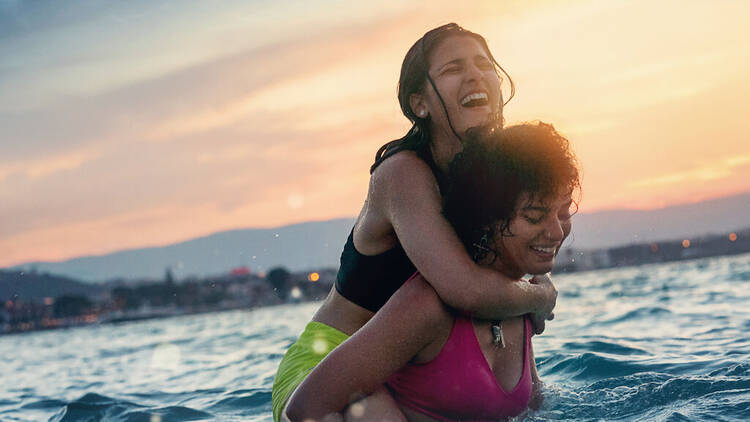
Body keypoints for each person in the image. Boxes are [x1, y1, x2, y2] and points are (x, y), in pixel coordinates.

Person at [271, 23, 558, 421]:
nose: (475, 74)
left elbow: (509, 273)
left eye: (483, 63)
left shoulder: (494, 173)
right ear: (419, 103)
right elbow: (467, 291)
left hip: (414, 368)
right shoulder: (403, 175)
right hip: (326, 369)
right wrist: (541, 296)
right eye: (453, 68)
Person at [286, 122, 581, 421]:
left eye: (564, 211)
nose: (557, 231)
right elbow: (304, 408)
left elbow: (535, 406)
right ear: (488, 217)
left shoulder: (520, 301)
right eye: (534, 217)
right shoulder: (426, 306)